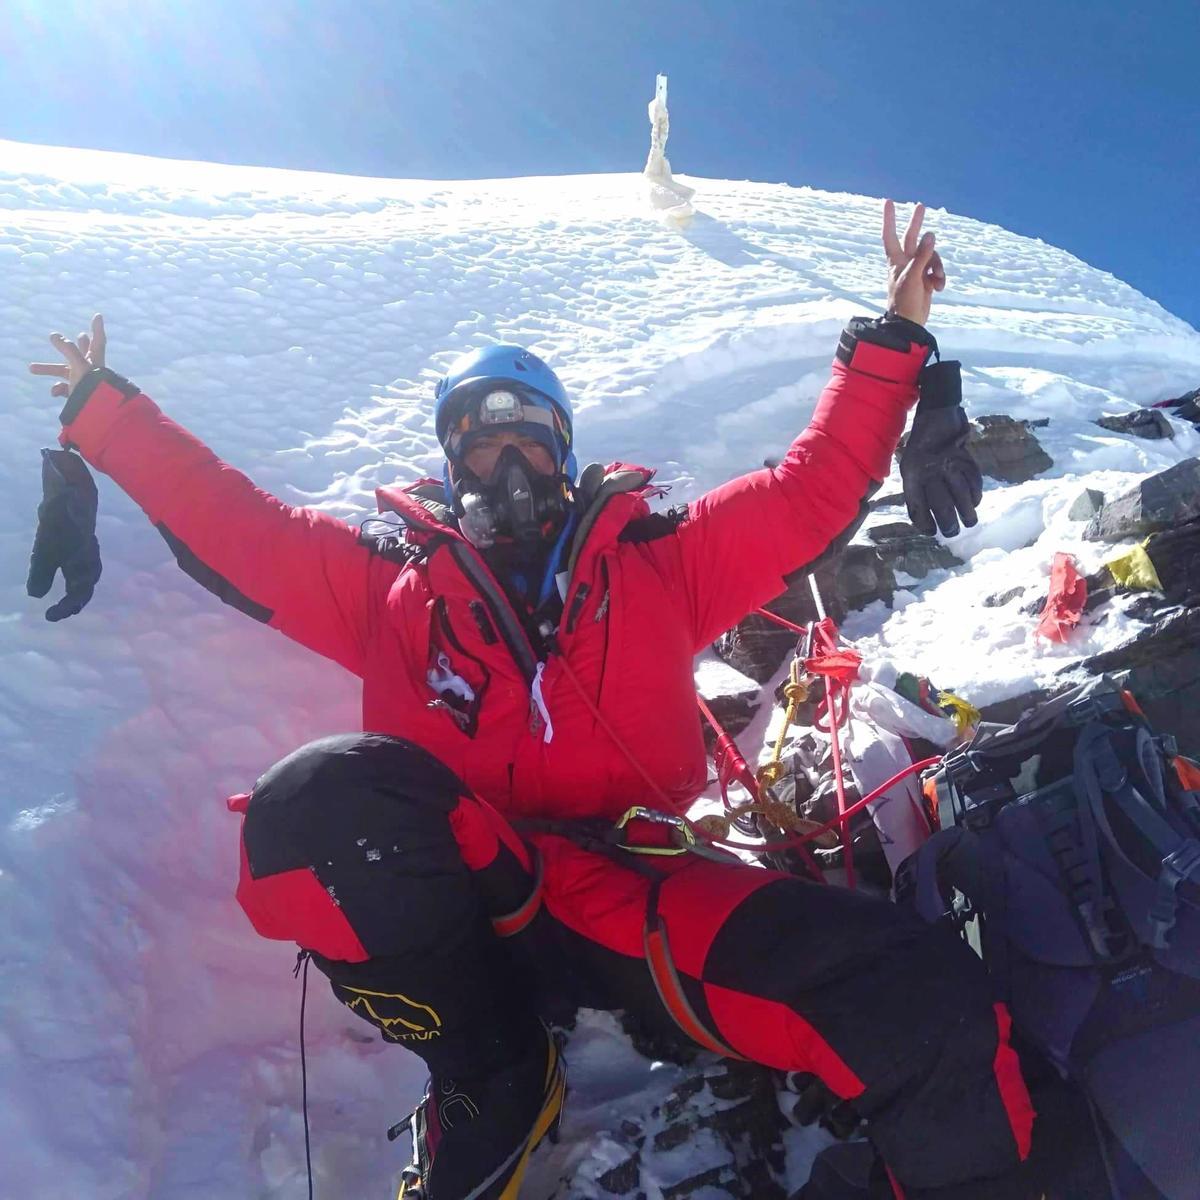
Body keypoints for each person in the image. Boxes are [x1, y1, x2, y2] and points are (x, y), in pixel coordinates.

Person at [30, 202, 1024, 1200]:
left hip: (632, 889)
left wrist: (894, 338)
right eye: (480, 445)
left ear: (565, 452)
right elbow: (236, 527)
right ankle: (492, 1075)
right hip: (469, 898)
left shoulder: (658, 563)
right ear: (450, 463)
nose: (507, 468)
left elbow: (809, 492)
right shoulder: (387, 589)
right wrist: (106, 414)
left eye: (531, 445)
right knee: (313, 804)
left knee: (914, 994)